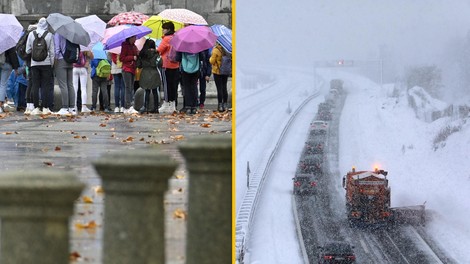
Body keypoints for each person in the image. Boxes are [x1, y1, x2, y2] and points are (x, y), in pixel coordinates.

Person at [25, 17, 55, 116]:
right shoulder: (49, 35)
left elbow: (27, 50)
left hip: (34, 64)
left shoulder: (31, 34)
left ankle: (36, 107)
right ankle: (45, 107)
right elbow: (52, 52)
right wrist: (51, 64)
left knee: (35, 85)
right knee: (45, 86)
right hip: (46, 64)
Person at [157, 21, 180, 113]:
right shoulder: (176, 38)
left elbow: (159, 50)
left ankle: (166, 104)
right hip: (176, 65)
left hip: (166, 65)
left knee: (166, 85)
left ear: (168, 29)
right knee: (173, 86)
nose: (163, 30)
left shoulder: (166, 39)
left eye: (164, 29)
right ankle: (173, 105)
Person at [137, 39, 161, 114]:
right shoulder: (156, 54)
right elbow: (160, 64)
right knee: (155, 91)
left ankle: (145, 107)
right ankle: (156, 108)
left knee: (146, 90)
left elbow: (139, 65)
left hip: (145, 73)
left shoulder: (142, 54)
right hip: (154, 73)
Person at [54, 33, 76, 116]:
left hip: (61, 59)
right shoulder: (72, 33)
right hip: (70, 60)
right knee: (70, 84)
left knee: (63, 84)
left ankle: (65, 107)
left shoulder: (58, 33)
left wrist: (55, 62)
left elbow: (56, 49)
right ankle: (72, 107)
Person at [120, 35, 139, 115]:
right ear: (130, 38)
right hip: (127, 69)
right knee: (128, 88)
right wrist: (132, 57)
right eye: (134, 38)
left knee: (130, 88)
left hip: (132, 69)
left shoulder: (134, 46)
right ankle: (128, 106)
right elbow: (122, 58)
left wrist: (137, 53)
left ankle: (127, 106)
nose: (135, 39)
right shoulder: (125, 46)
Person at [210, 43, 229, 112]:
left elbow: (212, 61)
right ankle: (225, 104)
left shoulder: (215, 50)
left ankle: (220, 105)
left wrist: (211, 57)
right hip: (225, 71)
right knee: (224, 87)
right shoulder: (227, 49)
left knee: (219, 88)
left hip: (217, 72)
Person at [0, 47, 20, 113]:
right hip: (6, 63)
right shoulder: (7, 41)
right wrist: (16, 68)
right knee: (3, 84)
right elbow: (12, 54)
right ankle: (0, 106)